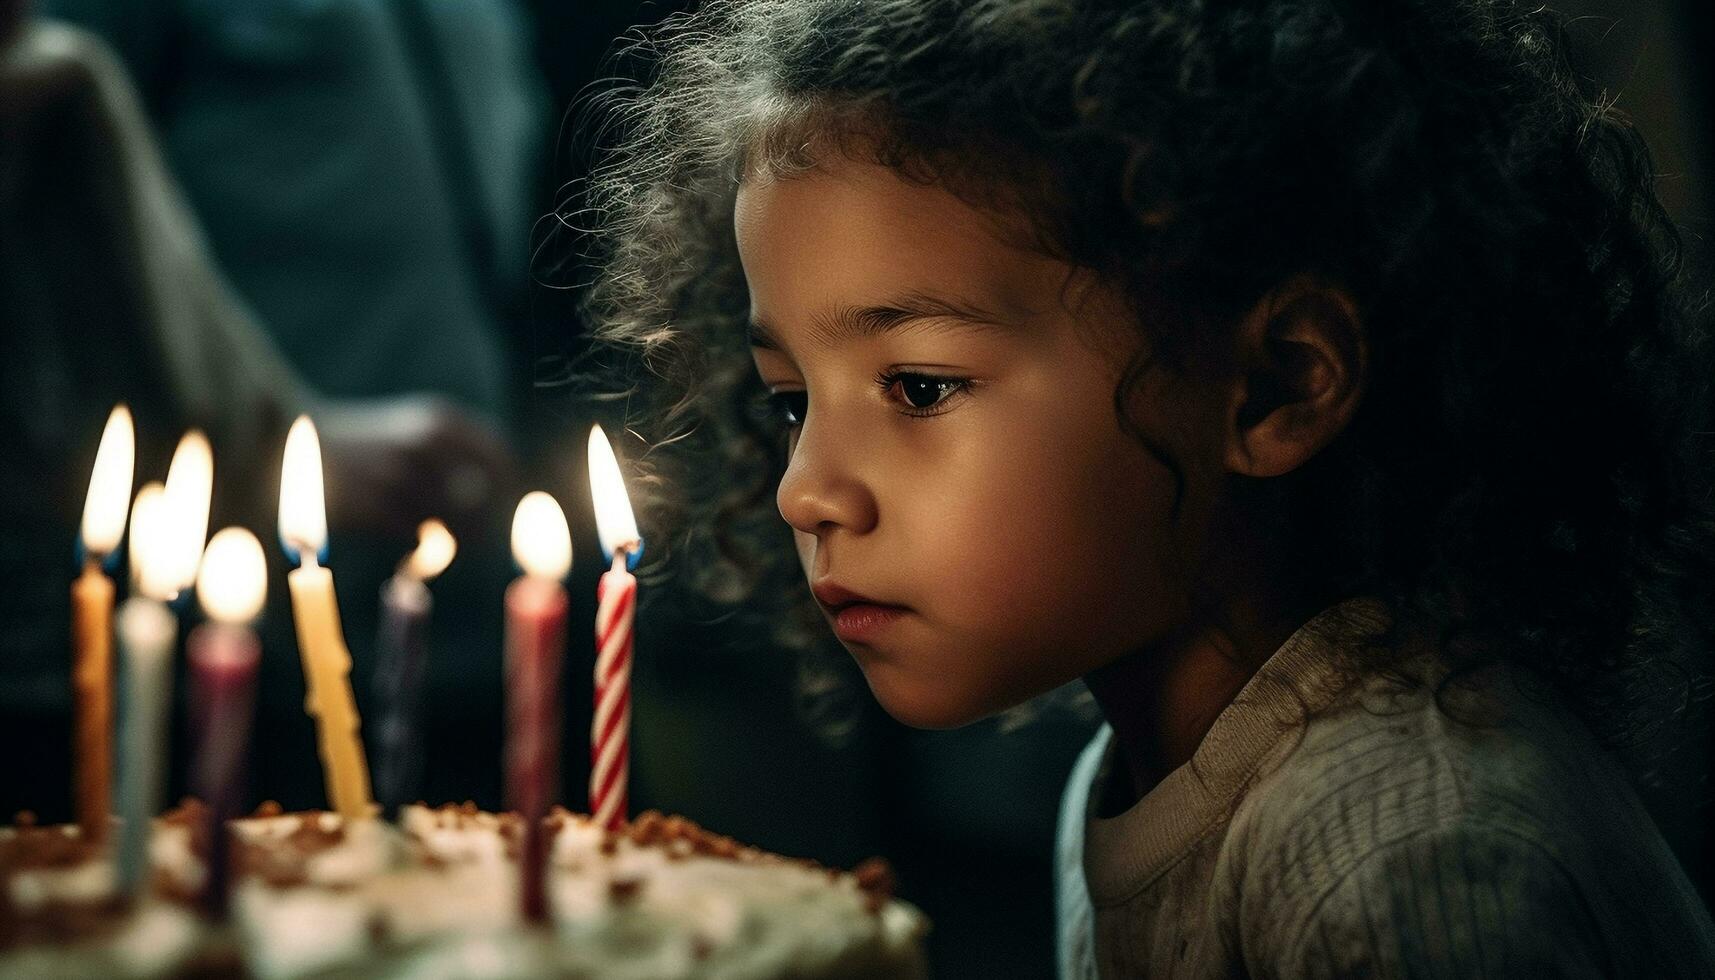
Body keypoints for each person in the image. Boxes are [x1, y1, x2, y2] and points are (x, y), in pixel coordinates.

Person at [573, 0, 1715, 976]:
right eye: (789, 400)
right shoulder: (1132, 767)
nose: (804, 491)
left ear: (1270, 387)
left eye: (917, 386)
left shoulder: (1406, 857)